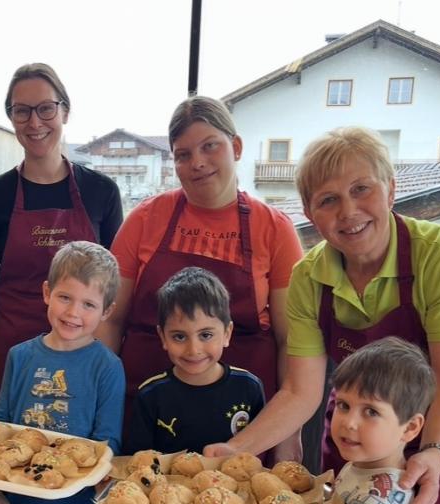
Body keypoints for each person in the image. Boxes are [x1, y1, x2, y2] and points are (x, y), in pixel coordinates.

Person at [206, 126, 440, 504]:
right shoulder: (309, 278)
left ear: (390, 190)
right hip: (356, 423)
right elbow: (300, 391)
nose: (348, 212)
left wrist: (434, 453)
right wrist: (236, 449)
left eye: (361, 189)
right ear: (310, 213)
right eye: (328, 200)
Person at [97, 96, 303, 460]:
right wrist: (100, 410)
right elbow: (110, 320)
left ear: (236, 147)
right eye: (183, 154)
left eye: (210, 146)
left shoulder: (274, 228)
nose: (198, 163)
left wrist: (288, 436)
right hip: (146, 418)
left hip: (244, 428)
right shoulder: (145, 219)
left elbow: (290, 341)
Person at [0, 63, 123, 419]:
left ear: (65, 111)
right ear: (11, 117)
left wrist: (109, 365)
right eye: (22, 111)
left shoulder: (101, 192)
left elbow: (116, 291)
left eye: (46, 109)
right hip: (15, 357)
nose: (35, 122)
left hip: (83, 359)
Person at [0, 241, 126, 504]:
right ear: (47, 292)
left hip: (75, 498)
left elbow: (107, 444)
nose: (73, 312)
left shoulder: (108, 367)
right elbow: (1, 426)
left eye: (88, 304)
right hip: (17, 493)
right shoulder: (19, 356)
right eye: (65, 298)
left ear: (106, 311)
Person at [123, 267, 265, 455]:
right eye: (179, 337)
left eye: (205, 335)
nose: (193, 350)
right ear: (163, 337)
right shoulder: (150, 395)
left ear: (227, 333)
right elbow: (138, 461)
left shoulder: (249, 387)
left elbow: (256, 455)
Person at [330, 337, 434, 504]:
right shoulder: (360, 464)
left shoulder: (380, 498)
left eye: (371, 412)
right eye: (344, 405)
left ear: (409, 428)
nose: (349, 423)